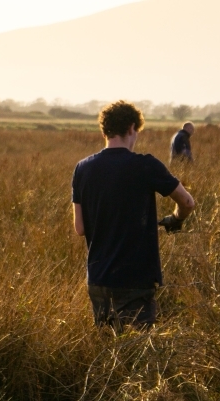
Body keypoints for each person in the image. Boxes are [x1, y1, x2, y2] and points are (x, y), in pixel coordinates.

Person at [72, 100, 195, 332]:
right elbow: (187, 202)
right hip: (135, 279)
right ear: (131, 128)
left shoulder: (82, 168)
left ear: (104, 131)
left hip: (98, 278)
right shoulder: (146, 165)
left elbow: (79, 228)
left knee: (108, 353)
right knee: (137, 355)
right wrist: (176, 219)